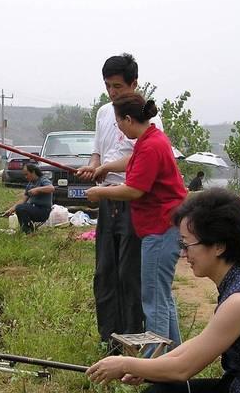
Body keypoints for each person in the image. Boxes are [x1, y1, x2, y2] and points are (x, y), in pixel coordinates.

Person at [86, 188, 240, 393]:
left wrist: (126, 364)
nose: (183, 254)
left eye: (187, 244)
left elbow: (183, 369)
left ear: (218, 246)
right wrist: (148, 369)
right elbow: (200, 343)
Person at [76, 53, 166, 348]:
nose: (113, 92)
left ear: (134, 83)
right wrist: (94, 166)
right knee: (105, 271)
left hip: (133, 200)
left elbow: (143, 158)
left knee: (130, 274)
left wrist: (105, 171)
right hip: (107, 200)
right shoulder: (104, 113)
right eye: (108, 86)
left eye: (118, 86)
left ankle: (131, 338)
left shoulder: (148, 117)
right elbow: (97, 151)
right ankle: (109, 338)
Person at [86, 92, 187, 355]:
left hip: (161, 229)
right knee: (163, 298)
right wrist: (104, 168)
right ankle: (175, 358)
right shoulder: (149, 139)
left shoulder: (152, 145)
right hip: (163, 227)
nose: (118, 128)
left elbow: (134, 190)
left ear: (128, 120)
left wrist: (100, 192)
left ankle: (153, 364)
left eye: (118, 123)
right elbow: (131, 162)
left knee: (152, 300)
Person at [3, 163, 54, 234]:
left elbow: (51, 188)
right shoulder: (30, 184)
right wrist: (11, 210)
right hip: (34, 209)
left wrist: (37, 189)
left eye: (26, 174)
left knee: (21, 208)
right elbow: (23, 200)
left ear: (33, 172)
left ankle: (28, 231)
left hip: (43, 211)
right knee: (20, 207)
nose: (25, 177)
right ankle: (26, 230)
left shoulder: (43, 179)